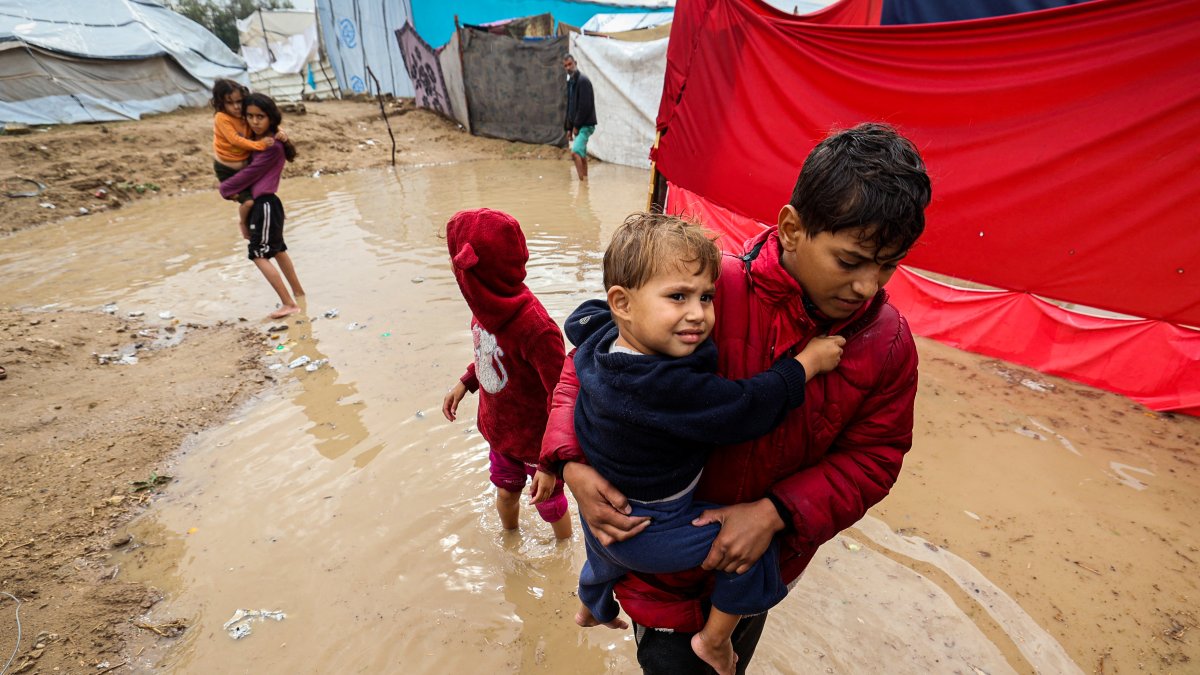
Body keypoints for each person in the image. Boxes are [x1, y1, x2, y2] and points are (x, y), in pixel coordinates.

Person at [538, 123, 932, 673]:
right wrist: (569, 458)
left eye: (887, 265)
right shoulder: (706, 290)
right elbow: (592, 359)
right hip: (661, 571)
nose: (867, 286)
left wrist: (775, 513)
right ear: (792, 228)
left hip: (757, 559)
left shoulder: (886, 346)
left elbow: (876, 457)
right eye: (850, 261)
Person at [533, 213, 846, 675]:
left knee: (602, 555)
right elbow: (745, 406)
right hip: (651, 526)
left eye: (706, 297)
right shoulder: (661, 385)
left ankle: (591, 605)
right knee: (752, 552)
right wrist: (807, 363)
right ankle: (714, 641)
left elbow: (580, 323)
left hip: (600, 510)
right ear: (622, 302)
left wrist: (559, 462)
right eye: (677, 297)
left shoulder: (603, 338)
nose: (698, 314)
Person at [441, 208, 573, 540]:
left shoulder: (536, 329)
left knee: (550, 504)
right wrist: (466, 382)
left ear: (471, 273)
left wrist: (548, 464)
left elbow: (562, 397)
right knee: (505, 494)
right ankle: (510, 541)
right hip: (500, 433)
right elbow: (490, 355)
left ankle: (562, 555)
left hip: (537, 443)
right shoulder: (483, 309)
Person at [219, 93, 304, 320]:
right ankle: (299, 295)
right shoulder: (266, 142)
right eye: (250, 116)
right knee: (277, 250)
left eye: (261, 117)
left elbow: (250, 174)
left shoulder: (270, 146)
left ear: (271, 118)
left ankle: (289, 304)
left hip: (265, 204)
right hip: (268, 205)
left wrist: (225, 189)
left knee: (257, 254)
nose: (255, 121)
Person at [209, 79, 286, 235]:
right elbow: (235, 140)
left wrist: (280, 132)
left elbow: (267, 121)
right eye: (230, 103)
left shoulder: (245, 115)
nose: (236, 106)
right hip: (227, 169)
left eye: (239, 101)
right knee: (249, 201)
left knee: (259, 195)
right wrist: (260, 145)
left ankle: (270, 220)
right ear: (221, 103)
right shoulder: (222, 118)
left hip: (245, 165)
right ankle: (243, 224)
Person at [563, 54, 597, 182]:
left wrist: (576, 125)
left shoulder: (583, 81)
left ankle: (582, 183)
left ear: (575, 63)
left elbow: (584, 106)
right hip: (578, 125)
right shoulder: (571, 82)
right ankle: (586, 180)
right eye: (565, 65)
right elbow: (570, 106)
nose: (568, 67)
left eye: (570, 64)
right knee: (581, 154)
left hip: (586, 124)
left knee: (575, 152)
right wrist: (569, 128)